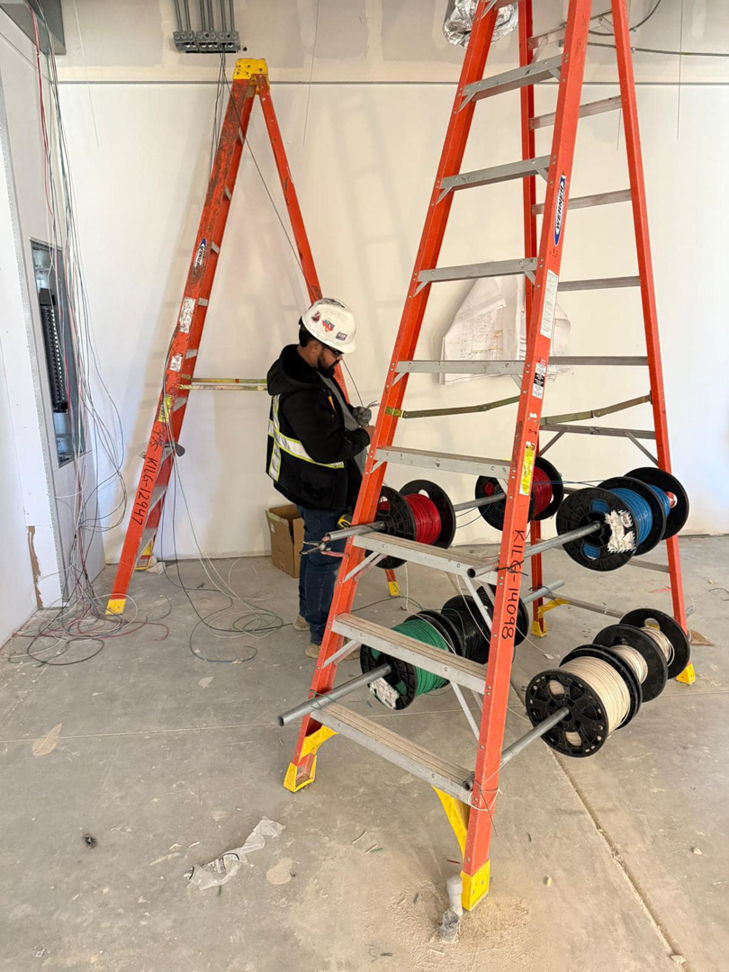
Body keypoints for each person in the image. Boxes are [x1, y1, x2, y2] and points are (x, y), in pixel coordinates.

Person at [266, 299, 374, 658]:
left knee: (314, 552)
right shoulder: (301, 392)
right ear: (316, 345)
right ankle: (319, 635)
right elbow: (326, 449)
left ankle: (305, 615)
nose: (340, 359)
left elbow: (327, 412)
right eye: (337, 351)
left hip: (309, 483)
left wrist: (349, 416)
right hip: (318, 488)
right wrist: (364, 435)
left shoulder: (305, 370)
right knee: (325, 558)